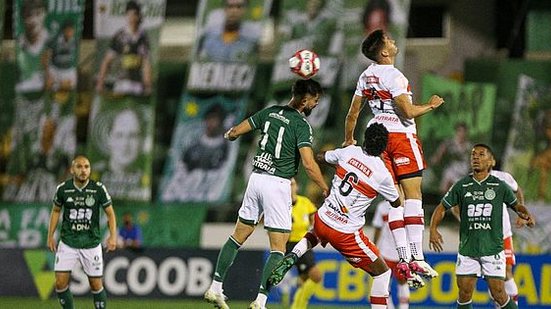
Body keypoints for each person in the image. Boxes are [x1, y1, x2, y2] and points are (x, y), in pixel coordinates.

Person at [203, 79, 329, 309]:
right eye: (314, 101)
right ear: (305, 100)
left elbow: (235, 131)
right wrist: (324, 187)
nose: (315, 105)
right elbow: (309, 164)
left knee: (237, 236)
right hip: (278, 183)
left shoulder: (270, 112)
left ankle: (215, 287)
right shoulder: (301, 124)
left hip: (256, 178)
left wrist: (230, 135)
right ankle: (260, 301)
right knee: (278, 248)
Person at [269, 123, 415, 309]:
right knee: (383, 273)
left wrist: (342, 158)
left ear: (365, 138)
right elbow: (396, 203)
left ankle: (294, 254)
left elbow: (320, 157)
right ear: (384, 147)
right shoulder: (382, 174)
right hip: (345, 232)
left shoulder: (349, 152)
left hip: (323, 217)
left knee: (316, 233)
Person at [343, 29, 444, 281]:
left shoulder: (365, 76)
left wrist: (348, 140)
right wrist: (430, 105)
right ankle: (417, 257)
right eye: (389, 40)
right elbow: (408, 112)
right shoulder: (395, 75)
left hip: (376, 138)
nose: (394, 41)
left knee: (394, 199)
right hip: (400, 137)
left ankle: (404, 259)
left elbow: (353, 114)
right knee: (413, 196)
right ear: (384, 52)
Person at [429, 144, 534, 309]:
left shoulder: (502, 181)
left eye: (481, 154)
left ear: (491, 161)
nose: (476, 157)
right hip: (469, 247)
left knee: (502, 286)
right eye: (473, 155)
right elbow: (445, 207)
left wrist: (524, 214)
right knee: (463, 294)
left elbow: (517, 197)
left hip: (499, 239)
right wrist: (435, 228)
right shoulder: (462, 185)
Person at [449, 161, 529, 308]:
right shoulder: (465, 183)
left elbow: (518, 190)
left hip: (502, 235)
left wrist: (521, 215)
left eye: (483, 156)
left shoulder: (503, 177)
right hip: (477, 239)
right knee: (487, 281)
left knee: (505, 273)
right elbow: (453, 204)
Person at [47, 155, 117, 309]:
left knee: (96, 284)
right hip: (68, 242)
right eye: (79, 167)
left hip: (91, 243)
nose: (83, 170)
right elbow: (56, 211)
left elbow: (110, 213)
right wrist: (50, 236)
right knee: (60, 283)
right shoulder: (63, 189)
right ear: (72, 170)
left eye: (86, 167)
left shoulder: (98, 189)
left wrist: (113, 236)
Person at [96, 0, 152, 95]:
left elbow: (145, 63)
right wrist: (100, 83)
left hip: (137, 84)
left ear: (138, 17)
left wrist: (148, 85)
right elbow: (107, 61)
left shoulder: (143, 38)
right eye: (129, 15)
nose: (131, 18)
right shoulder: (119, 36)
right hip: (121, 83)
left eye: (134, 15)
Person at [284, 178, 322, 309]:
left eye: (292, 184)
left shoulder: (305, 202)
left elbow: (315, 219)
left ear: (297, 187)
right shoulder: (281, 205)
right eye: (287, 185)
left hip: (305, 243)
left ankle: (297, 306)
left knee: (305, 278)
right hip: (290, 244)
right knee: (316, 276)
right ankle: (298, 306)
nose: (290, 187)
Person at [372, 201, 410, 309]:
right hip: (385, 251)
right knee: (385, 283)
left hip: (403, 253)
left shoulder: (408, 205)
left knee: (403, 281)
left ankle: (404, 307)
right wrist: (374, 248)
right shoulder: (382, 207)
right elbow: (378, 228)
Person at [182, 103, 229, 171]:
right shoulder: (193, 145)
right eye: (209, 118)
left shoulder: (225, 147)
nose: (211, 123)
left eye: (214, 119)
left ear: (221, 122)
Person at [431, 122, 473, 194]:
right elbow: (441, 150)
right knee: (444, 185)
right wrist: (436, 158)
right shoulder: (450, 143)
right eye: (460, 131)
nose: (461, 134)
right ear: (456, 132)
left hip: (463, 172)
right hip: (452, 169)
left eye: (463, 131)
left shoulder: (469, 146)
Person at [16, 0, 49, 93]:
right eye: (29, 15)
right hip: (24, 89)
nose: (34, 19)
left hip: (43, 88)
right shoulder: (20, 41)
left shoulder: (49, 40)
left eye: (38, 13)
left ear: (45, 14)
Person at [45, 19, 78, 93]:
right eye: (68, 30)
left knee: (69, 92)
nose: (70, 33)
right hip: (56, 69)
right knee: (54, 92)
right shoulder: (55, 41)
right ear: (63, 30)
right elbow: (46, 56)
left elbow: (72, 55)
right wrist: (48, 74)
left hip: (69, 70)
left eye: (72, 30)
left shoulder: (75, 41)